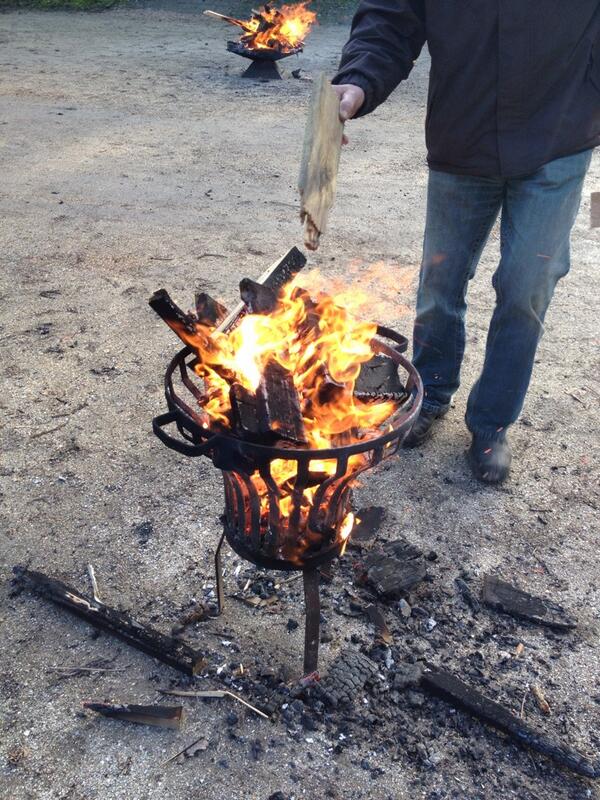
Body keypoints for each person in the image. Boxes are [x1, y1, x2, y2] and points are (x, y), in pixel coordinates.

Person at [332, 2, 600, 483]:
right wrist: (358, 80)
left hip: (559, 135)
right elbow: (392, 16)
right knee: (441, 280)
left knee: (527, 286)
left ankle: (492, 421)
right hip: (462, 135)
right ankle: (429, 393)